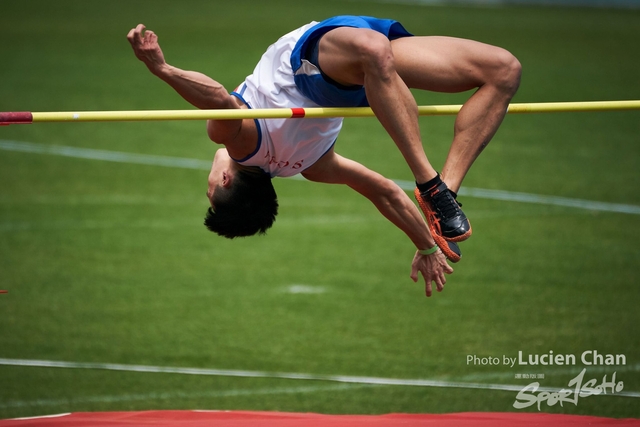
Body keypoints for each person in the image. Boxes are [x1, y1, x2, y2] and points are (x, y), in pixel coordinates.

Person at [127, 16, 521, 297]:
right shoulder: (239, 141)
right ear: (225, 181)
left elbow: (383, 192)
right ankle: (432, 184)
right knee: (375, 49)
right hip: (323, 63)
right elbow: (216, 99)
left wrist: (426, 245)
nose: (210, 182)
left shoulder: (312, 167)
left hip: (365, 68)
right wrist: (162, 68)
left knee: (503, 70)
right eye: (209, 189)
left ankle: (445, 192)